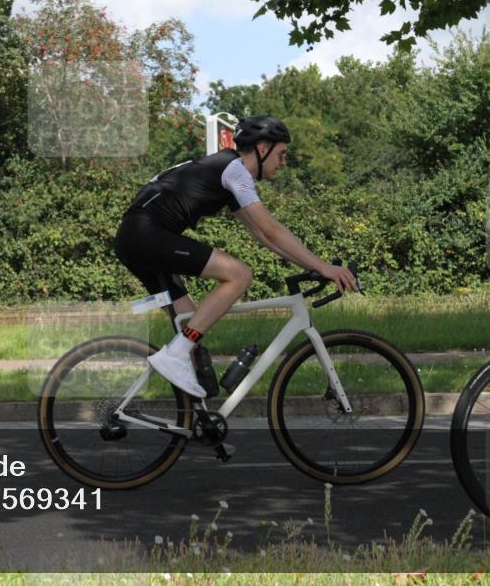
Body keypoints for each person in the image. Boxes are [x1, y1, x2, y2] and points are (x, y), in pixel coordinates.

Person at [113, 115, 358, 398]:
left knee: (191, 324)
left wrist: (311, 265)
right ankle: (176, 356)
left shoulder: (225, 172)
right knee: (240, 274)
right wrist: (324, 267)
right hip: (147, 235)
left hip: (136, 237)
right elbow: (272, 230)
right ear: (262, 148)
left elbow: (265, 237)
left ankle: (193, 419)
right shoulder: (235, 170)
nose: (284, 162)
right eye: (281, 154)